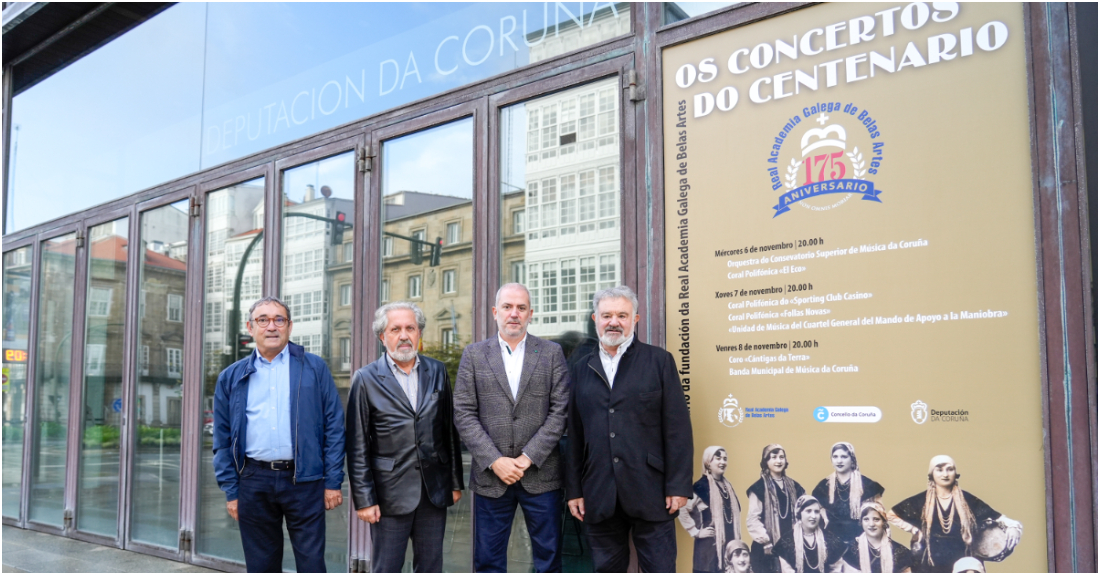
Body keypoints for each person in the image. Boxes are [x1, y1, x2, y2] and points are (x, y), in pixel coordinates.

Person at [564, 285, 694, 572]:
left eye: (622, 315)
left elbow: (678, 429)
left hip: (653, 491)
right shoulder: (581, 367)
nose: (614, 322)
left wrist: (678, 486)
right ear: (594, 319)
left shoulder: (659, 361)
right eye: (606, 315)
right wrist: (574, 489)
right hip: (598, 492)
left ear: (635, 319)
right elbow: (574, 433)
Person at [211, 296, 345, 572]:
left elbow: (334, 427)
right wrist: (232, 490)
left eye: (278, 319)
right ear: (250, 327)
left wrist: (333, 482)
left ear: (289, 326)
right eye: (263, 320)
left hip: (305, 481)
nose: (271, 326)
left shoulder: (314, 368)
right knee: (261, 566)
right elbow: (222, 440)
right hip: (253, 481)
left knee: (312, 564)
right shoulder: (231, 377)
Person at [452, 283, 570, 572]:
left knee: (548, 559)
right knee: (488, 561)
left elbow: (560, 411)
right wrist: (495, 461)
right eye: (507, 307)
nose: (514, 314)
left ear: (531, 313)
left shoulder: (552, 353)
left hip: (542, 475)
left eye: (521, 308)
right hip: (492, 479)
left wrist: (527, 457)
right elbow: (463, 413)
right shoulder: (474, 355)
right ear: (495, 312)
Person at [345, 302, 464, 573]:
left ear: (419, 333)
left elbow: (448, 430)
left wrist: (454, 482)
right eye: (395, 329)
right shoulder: (365, 379)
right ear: (382, 336)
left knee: (431, 566)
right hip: (389, 494)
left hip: (432, 491)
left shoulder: (437, 371)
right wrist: (364, 500)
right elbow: (357, 446)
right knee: (387, 567)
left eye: (410, 328)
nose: (403, 335)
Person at [889, 455, 1022, 573]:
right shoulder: (921, 500)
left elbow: (999, 518)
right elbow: (890, 515)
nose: (945, 474)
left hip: (963, 562)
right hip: (928, 563)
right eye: (939, 469)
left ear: (955, 473)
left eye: (950, 469)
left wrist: (1014, 528)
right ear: (931, 473)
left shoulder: (967, 500)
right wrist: (915, 530)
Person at [680, 446, 742, 572]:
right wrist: (696, 531)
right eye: (718, 458)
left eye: (725, 459)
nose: (723, 462)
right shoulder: (701, 486)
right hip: (708, 548)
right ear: (708, 462)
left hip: (729, 545)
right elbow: (682, 509)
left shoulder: (728, 487)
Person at [746, 445, 806, 573]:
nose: (778, 461)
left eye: (781, 457)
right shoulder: (758, 487)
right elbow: (753, 519)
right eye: (773, 457)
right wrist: (766, 541)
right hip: (766, 549)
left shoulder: (795, 486)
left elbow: (805, 511)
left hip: (791, 545)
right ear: (766, 462)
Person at [811, 442, 884, 545]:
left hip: (860, 540)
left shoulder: (868, 485)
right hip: (831, 542)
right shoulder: (823, 486)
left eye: (844, 456)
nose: (839, 460)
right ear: (831, 460)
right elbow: (814, 515)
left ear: (852, 459)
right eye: (835, 457)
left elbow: (879, 516)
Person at [771, 495, 842, 573]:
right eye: (808, 511)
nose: (813, 516)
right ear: (799, 513)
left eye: (816, 512)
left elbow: (835, 570)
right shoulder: (787, 540)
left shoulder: (829, 538)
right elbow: (787, 571)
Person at [838, 502, 913, 573]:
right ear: (861, 522)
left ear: (884, 522)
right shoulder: (850, 550)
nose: (871, 524)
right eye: (866, 519)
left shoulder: (900, 551)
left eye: (876, 519)